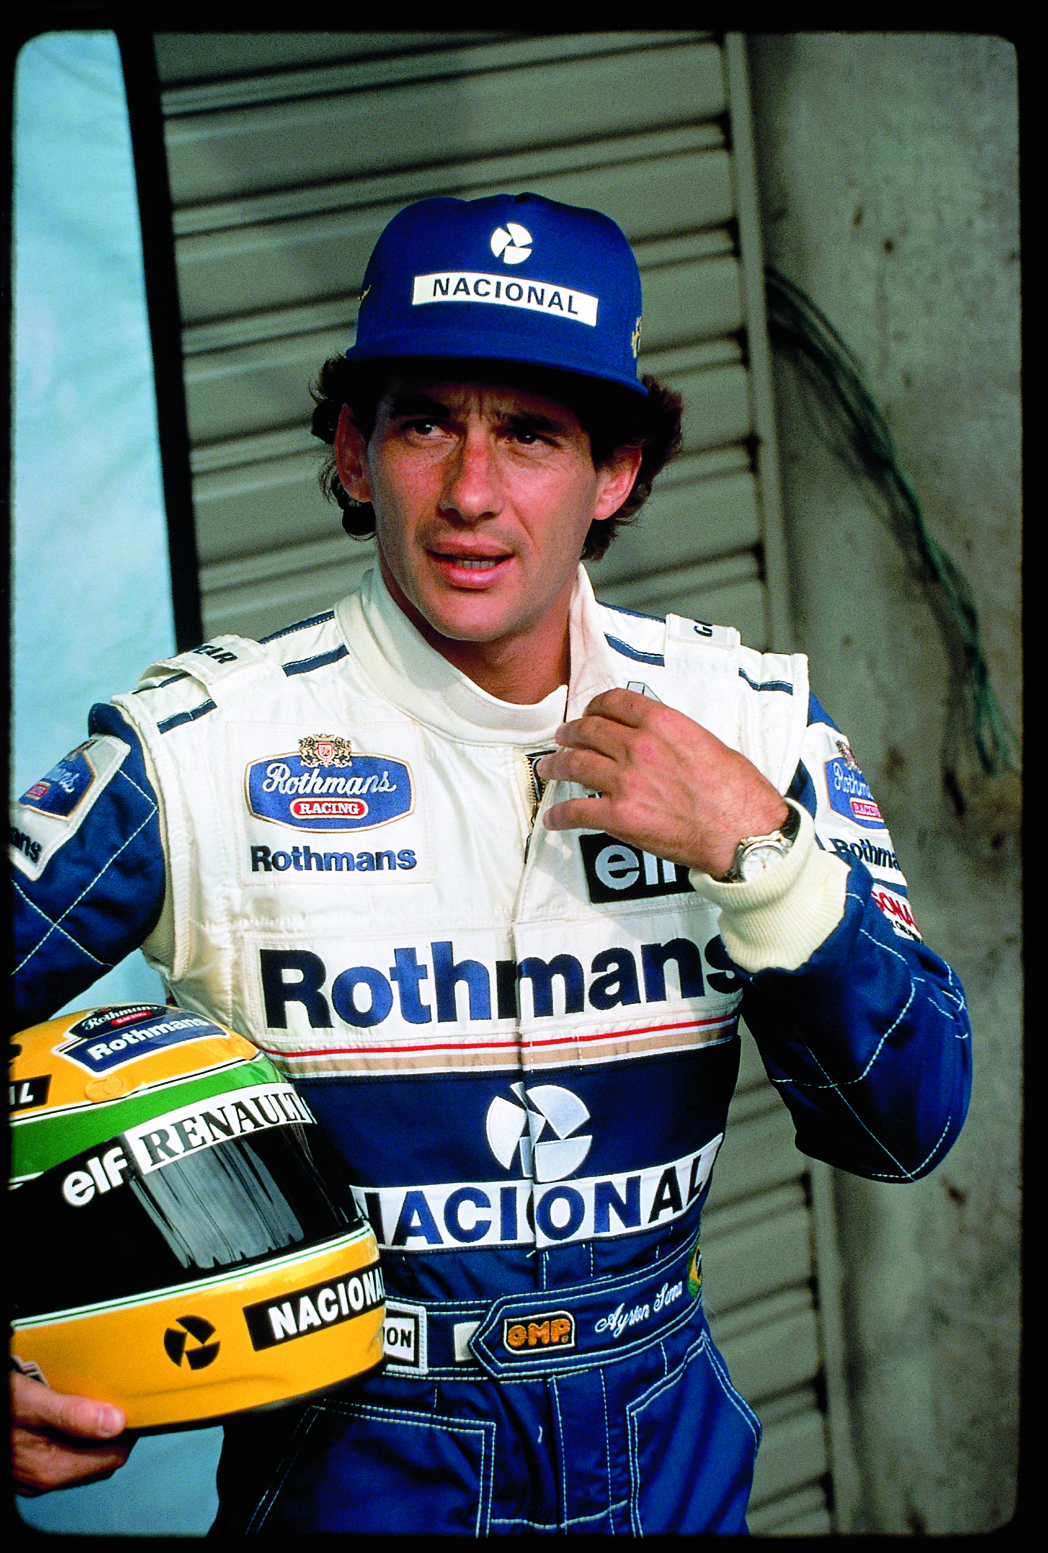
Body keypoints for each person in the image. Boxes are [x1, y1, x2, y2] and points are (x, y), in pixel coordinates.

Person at [10, 192, 971, 1534]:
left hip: (665, 1445)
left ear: (616, 472)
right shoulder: (199, 749)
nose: (471, 492)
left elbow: (909, 1125)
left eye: (530, 433)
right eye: (425, 425)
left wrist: (761, 859)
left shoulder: (748, 724)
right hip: (354, 1460)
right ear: (353, 453)